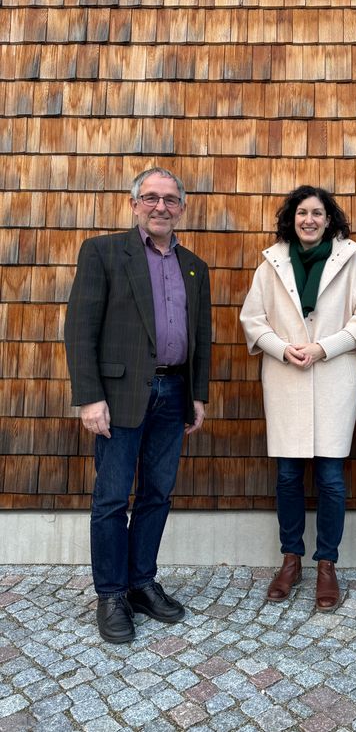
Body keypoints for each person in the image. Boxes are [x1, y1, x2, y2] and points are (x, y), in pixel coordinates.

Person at [64, 167, 211, 644]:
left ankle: (141, 582)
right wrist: (89, 397)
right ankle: (110, 593)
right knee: (110, 500)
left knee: (157, 495)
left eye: (170, 200)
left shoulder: (194, 266)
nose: (160, 207)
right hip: (119, 396)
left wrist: (197, 394)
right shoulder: (104, 252)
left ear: (181, 208)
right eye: (151, 198)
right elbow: (80, 329)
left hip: (172, 396)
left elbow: (200, 340)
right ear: (134, 204)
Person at [240, 186, 356, 611]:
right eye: (302, 213)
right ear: (292, 218)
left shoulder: (352, 262)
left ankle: (327, 565)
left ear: (329, 219)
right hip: (286, 376)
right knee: (287, 477)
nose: (309, 220)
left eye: (318, 213)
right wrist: (283, 349)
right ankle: (291, 559)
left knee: (331, 479)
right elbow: (252, 318)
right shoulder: (271, 263)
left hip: (334, 375)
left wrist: (324, 348)